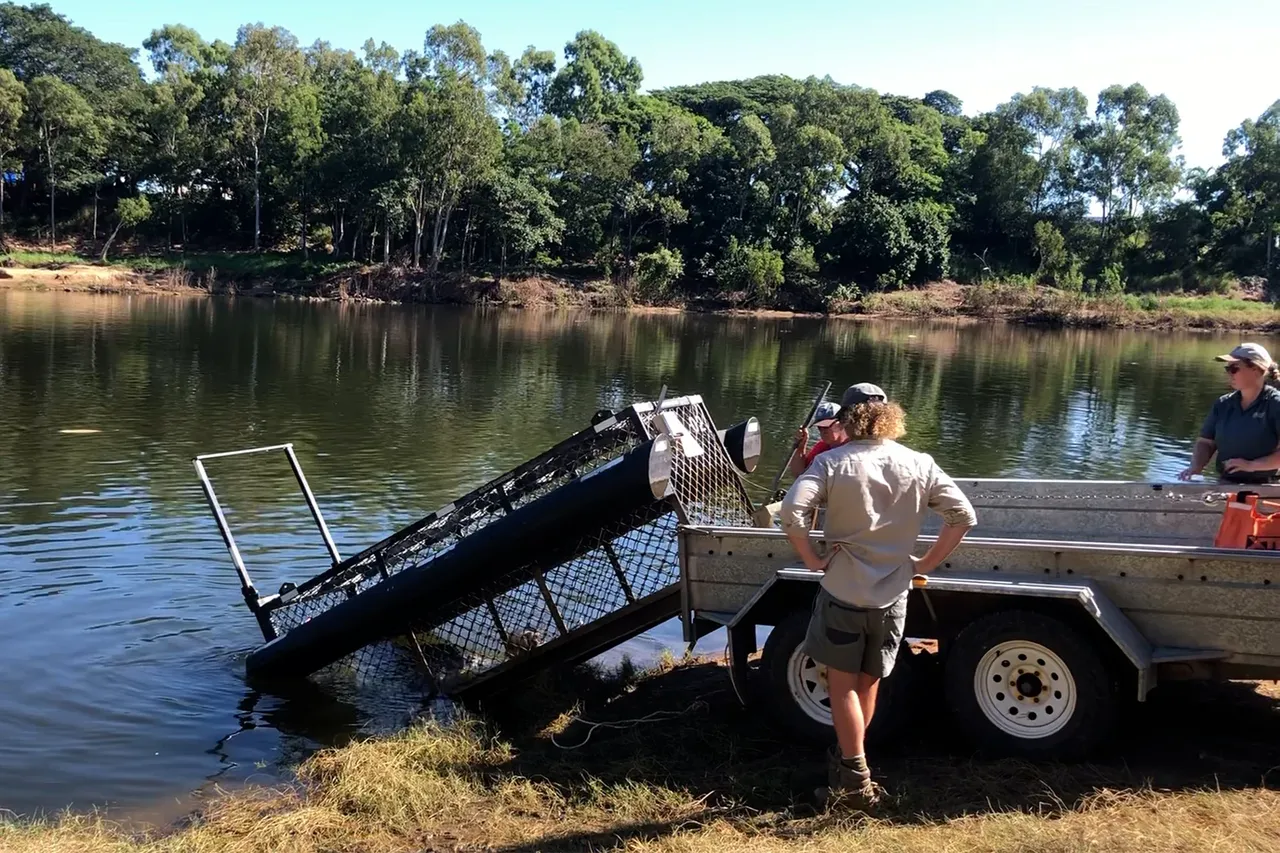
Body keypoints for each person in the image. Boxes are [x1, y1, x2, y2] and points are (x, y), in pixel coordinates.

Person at [780, 382, 977, 810]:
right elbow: (963, 515)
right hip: (892, 594)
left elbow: (792, 512)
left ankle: (855, 781)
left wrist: (812, 558)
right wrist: (925, 562)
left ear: (848, 417)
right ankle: (850, 763)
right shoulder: (918, 462)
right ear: (889, 416)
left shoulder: (832, 462)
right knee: (868, 682)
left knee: (842, 685)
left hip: (843, 591)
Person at [1179, 343, 1280, 484]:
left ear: (1256, 370)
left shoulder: (1275, 404)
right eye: (1227, 368)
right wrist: (1196, 467)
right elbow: (1206, 442)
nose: (1229, 373)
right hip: (1226, 484)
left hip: (1268, 488)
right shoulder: (1223, 403)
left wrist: (1251, 466)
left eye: (1234, 368)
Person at [787, 401, 847, 477]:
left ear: (841, 423)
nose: (822, 431)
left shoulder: (854, 446)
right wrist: (801, 447)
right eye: (819, 427)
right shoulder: (822, 447)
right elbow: (799, 474)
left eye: (826, 426)